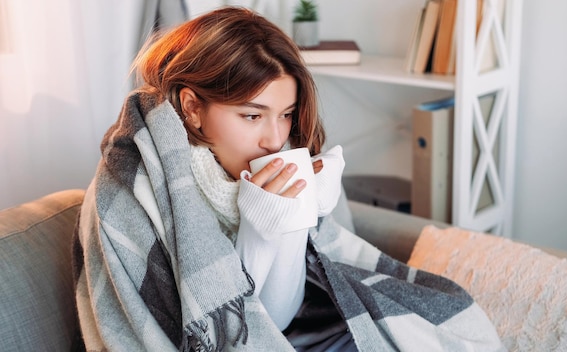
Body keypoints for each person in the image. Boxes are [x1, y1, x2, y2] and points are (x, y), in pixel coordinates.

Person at [73, 6, 504, 352]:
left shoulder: (264, 160)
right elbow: (229, 336)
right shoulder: (135, 183)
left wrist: (296, 218)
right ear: (191, 107)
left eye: (285, 114)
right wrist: (261, 229)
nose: (275, 138)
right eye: (252, 115)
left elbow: (282, 314)